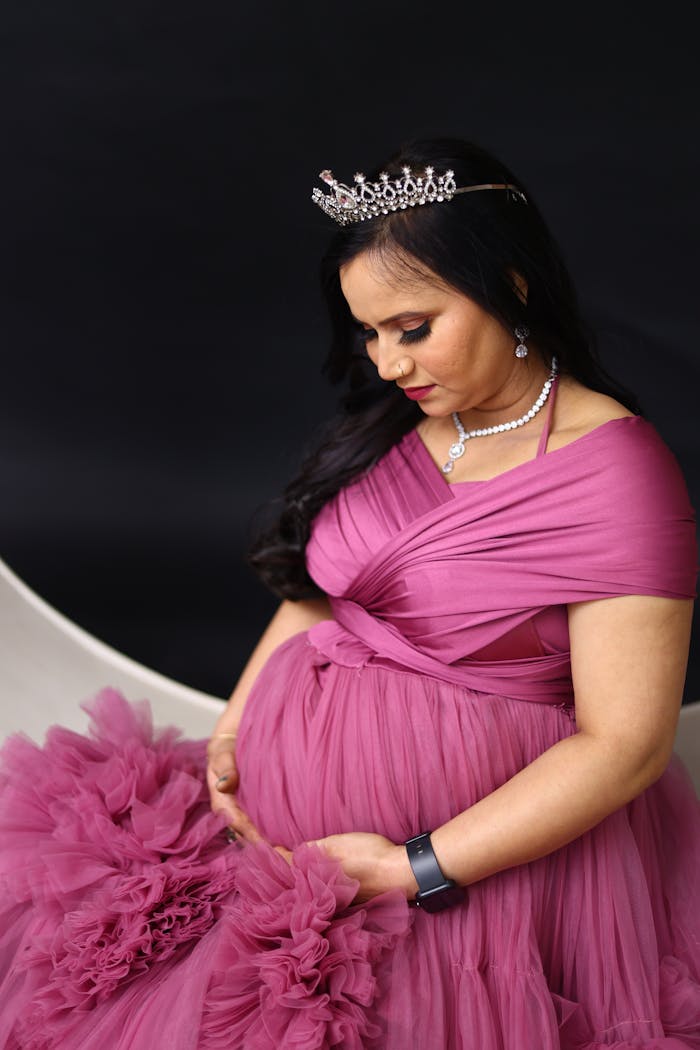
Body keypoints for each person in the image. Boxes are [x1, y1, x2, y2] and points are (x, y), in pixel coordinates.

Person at [0, 137, 698, 1050]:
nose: (389, 364)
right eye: (368, 333)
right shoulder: (405, 428)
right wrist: (233, 732)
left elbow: (626, 745)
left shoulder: (616, 476)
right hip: (280, 855)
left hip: (464, 881)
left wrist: (416, 869)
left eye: (413, 327)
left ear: (515, 287)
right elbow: (325, 593)